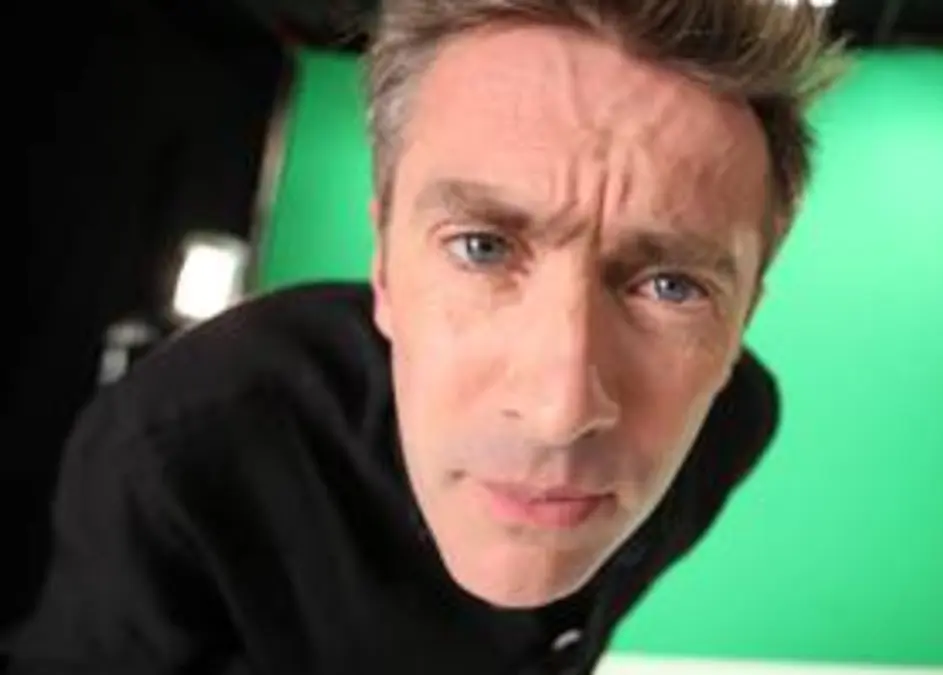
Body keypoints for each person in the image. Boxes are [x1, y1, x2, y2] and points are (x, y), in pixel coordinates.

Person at [9, 0, 841, 673]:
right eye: (482, 247)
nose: (558, 412)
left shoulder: (732, 426)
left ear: (742, 320)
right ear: (384, 268)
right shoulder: (175, 450)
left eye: (672, 286)